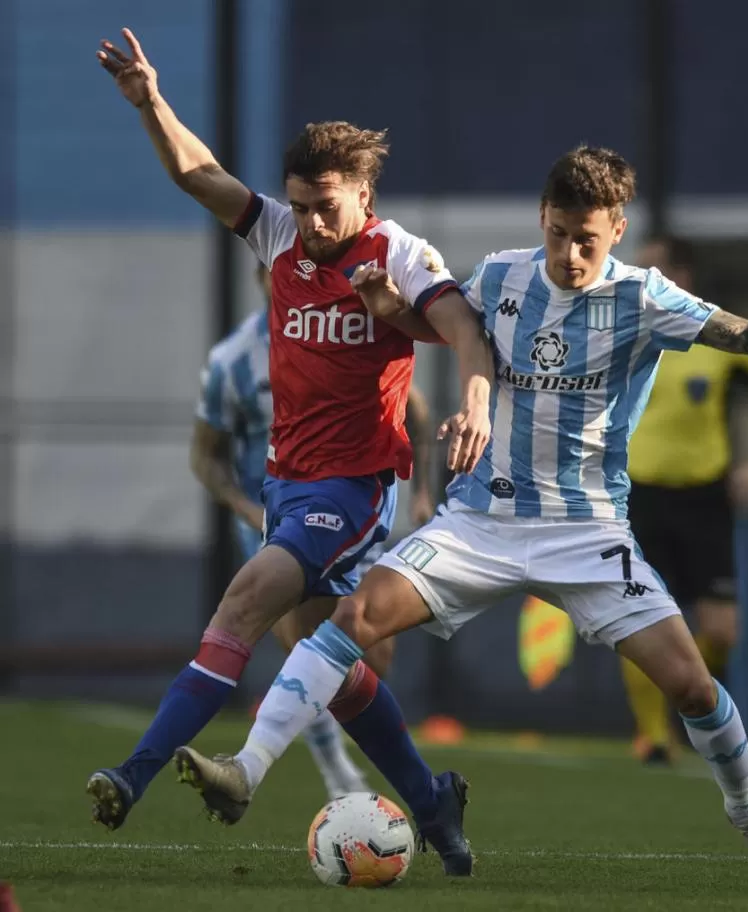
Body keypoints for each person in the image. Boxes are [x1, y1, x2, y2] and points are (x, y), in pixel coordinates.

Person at [178, 146, 748, 893]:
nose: (569, 253)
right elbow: (445, 327)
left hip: (588, 532)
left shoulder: (645, 298)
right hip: (483, 520)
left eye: (587, 240)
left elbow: (747, 332)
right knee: (351, 618)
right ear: (543, 218)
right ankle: (247, 769)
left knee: (693, 688)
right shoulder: (502, 276)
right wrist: (390, 311)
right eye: (559, 232)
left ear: (618, 230)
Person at [86, 29, 491, 877]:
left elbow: (459, 326)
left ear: (364, 196)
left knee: (244, 601)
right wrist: (151, 103)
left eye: (326, 207)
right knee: (334, 673)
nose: (308, 223)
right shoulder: (279, 237)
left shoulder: (400, 254)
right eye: (299, 205)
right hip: (289, 484)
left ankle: (136, 774)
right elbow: (199, 173)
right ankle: (432, 803)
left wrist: (476, 398)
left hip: (356, 487)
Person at [191, 261, 437, 798]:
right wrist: (242, 506)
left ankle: (395, 779)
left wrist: (420, 488)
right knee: (302, 641)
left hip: (352, 509)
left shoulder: (346, 332)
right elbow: (204, 456)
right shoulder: (232, 360)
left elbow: (413, 409)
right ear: (263, 278)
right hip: (279, 520)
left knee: (370, 655)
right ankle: (337, 778)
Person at [621, 236, 748, 764]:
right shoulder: (626, 331)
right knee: (633, 622)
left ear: (682, 275)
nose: (643, 276)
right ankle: (653, 737)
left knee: (722, 630)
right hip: (638, 494)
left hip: (704, 497)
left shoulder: (715, 336)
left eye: (654, 267)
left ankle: (682, 687)